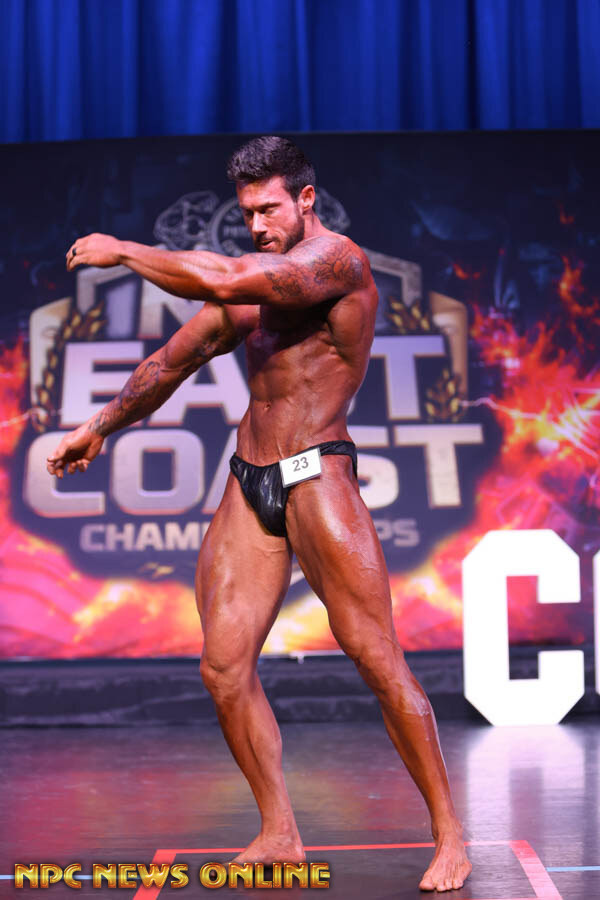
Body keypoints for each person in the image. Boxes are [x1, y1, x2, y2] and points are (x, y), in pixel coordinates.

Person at [47, 136, 472, 892]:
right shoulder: (253, 291)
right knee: (222, 667)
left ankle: (450, 835)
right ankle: (279, 830)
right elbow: (169, 363)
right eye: (246, 212)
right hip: (250, 478)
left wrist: (125, 250)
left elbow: (231, 274)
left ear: (306, 199)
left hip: (318, 473)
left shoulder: (336, 262)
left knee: (376, 657)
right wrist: (99, 427)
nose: (257, 225)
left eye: (269, 209)